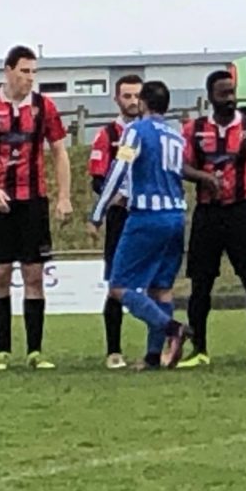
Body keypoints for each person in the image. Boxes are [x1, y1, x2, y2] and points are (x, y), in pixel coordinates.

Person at [0, 45, 73, 371]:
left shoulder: (44, 107)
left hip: (33, 202)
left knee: (34, 275)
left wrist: (64, 196)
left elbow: (59, 152)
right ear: (8, 70)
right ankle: (2, 351)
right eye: (24, 71)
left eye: (34, 72)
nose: (30, 78)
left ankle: (35, 351)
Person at [175, 70, 246, 369]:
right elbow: (180, 167)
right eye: (223, 94)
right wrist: (203, 176)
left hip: (242, 213)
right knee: (200, 285)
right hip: (207, 214)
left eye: (232, 92)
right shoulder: (193, 130)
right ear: (210, 97)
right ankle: (200, 350)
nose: (230, 99)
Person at [89, 81, 193, 370]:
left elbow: (119, 169)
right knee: (161, 288)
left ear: (144, 103)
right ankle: (153, 357)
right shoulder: (175, 136)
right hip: (176, 216)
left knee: (119, 286)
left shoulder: (134, 130)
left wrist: (98, 212)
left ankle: (172, 328)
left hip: (147, 216)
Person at [88, 74, 144, 369]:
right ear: (117, 99)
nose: (133, 102)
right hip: (120, 217)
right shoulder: (107, 135)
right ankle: (114, 350)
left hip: (149, 214)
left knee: (157, 284)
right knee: (116, 283)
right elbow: (97, 179)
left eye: (137, 96)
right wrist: (113, 200)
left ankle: (156, 349)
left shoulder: (152, 132)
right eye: (127, 96)